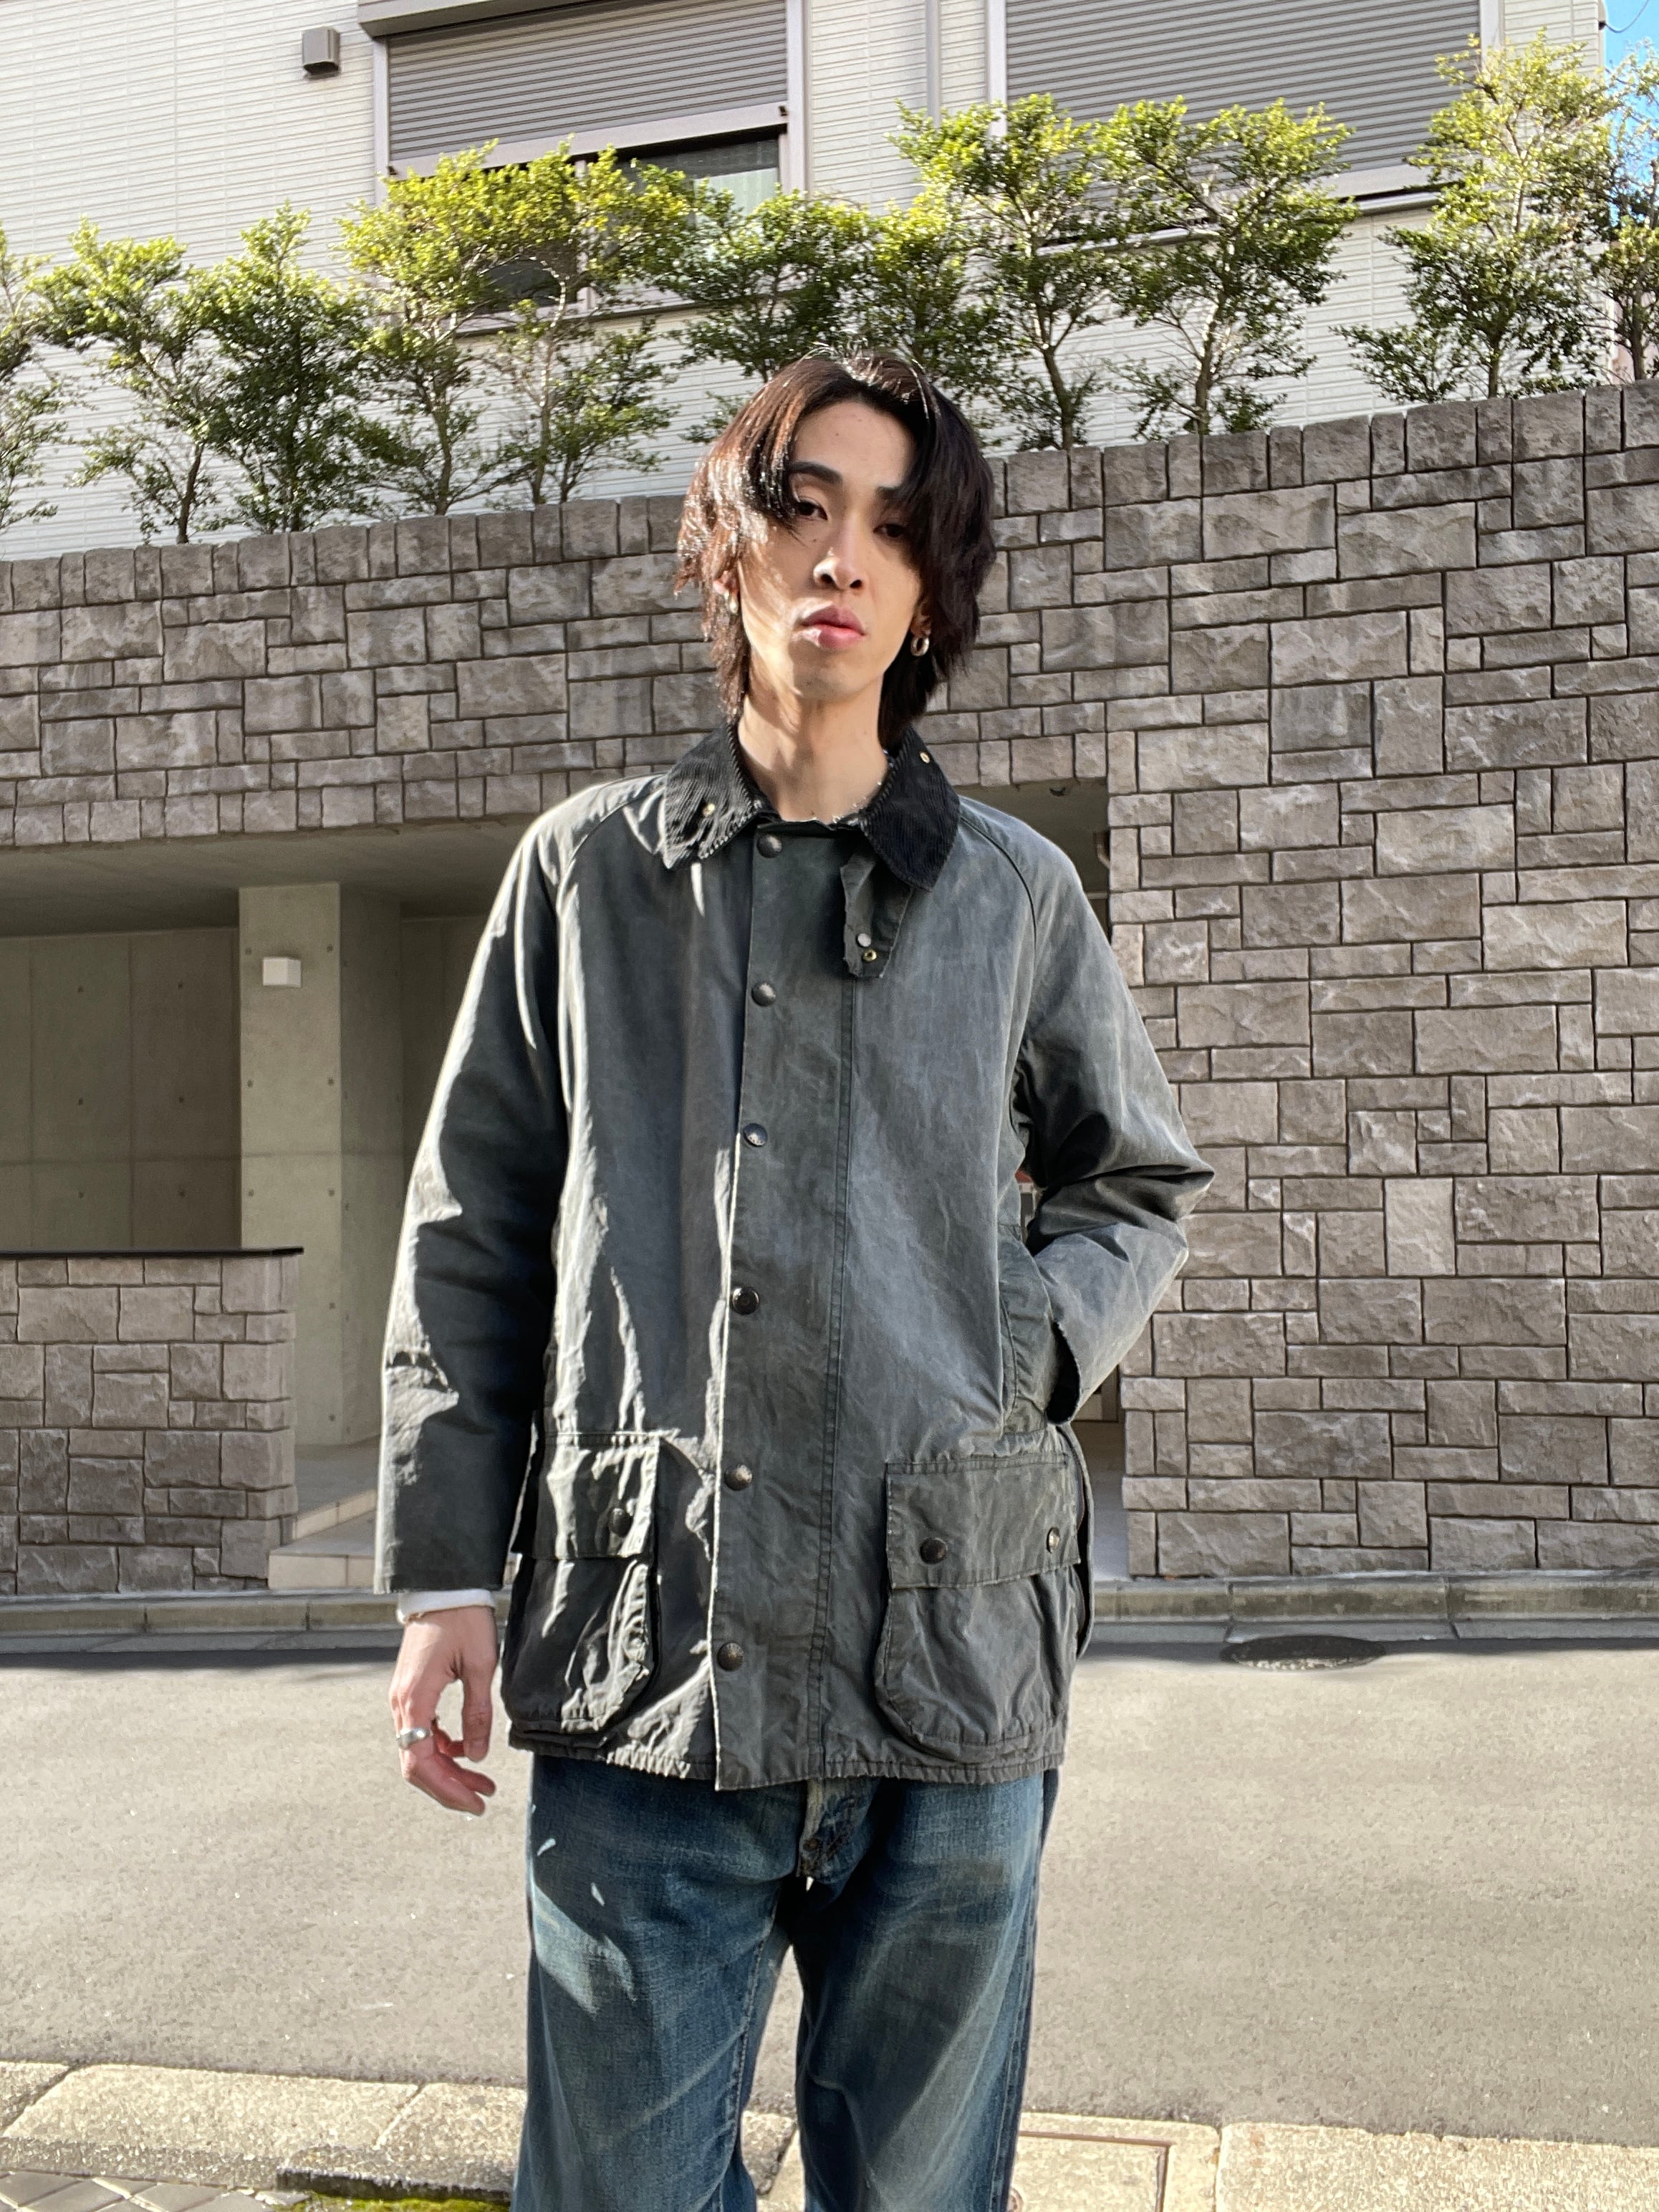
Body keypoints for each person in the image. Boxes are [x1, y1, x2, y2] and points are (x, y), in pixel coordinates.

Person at [377, 350, 1211, 2212]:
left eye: (894, 529)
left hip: (950, 1669)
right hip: (651, 1664)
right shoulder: (586, 876)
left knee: (918, 2191)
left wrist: (1017, 1342)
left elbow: (1135, 1181)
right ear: (728, 548)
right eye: (804, 508)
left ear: (931, 590)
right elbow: (470, 1230)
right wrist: (444, 1575)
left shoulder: (1012, 895)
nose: (842, 558)